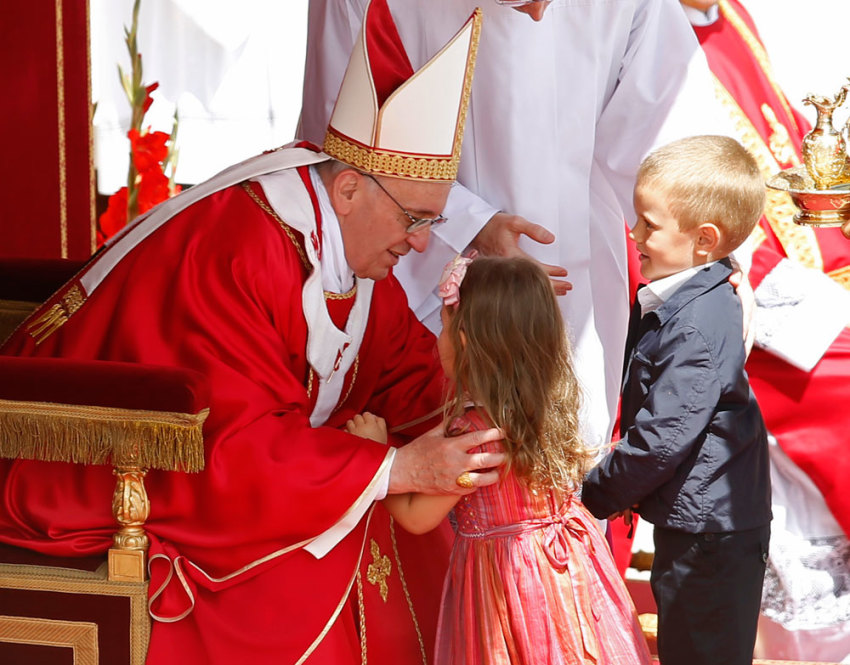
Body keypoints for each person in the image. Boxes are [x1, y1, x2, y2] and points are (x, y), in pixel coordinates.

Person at [0, 3, 503, 663]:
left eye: (429, 223)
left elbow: (402, 369)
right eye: (414, 218)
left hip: (233, 466)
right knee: (341, 545)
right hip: (113, 463)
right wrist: (395, 464)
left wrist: (481, 413)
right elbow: (230, 444)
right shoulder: (241, 252)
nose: (419, 242)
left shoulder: (346, 243)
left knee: (416, 527)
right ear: (348, 188)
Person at [301, 0, 731, 454]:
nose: (541, 15)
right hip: (423, 269)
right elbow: (338, 146)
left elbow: (670, 136)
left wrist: (704, 272)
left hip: (577, 271)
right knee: (445, 453)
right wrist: (471, 223)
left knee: (569, 454)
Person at [347, 255, 652, 665]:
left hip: (506, 584)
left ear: (467, 340)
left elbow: (417, 518)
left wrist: (375, 453)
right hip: (566, 569)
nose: (438, 338)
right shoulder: (549, 408)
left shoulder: (476, 434)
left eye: (443, 325)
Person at [677, 2, 850, 659]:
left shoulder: (732, 19)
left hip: (808, 279)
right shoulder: (647, 40)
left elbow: (800, 152)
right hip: (746, 308)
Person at [582, 135, 772, 665]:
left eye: (649, 224)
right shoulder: (703, 289)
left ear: (704, 240)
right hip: (702, 522)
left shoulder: (695, 328)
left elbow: (663, 439)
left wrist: (589, 495)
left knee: (699, 650)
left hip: (709, 534)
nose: (634, 233)